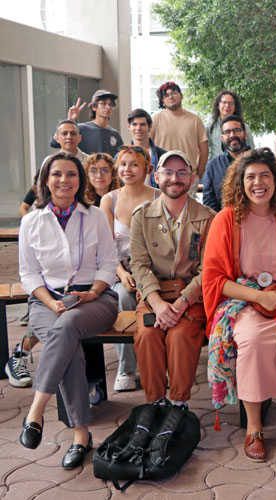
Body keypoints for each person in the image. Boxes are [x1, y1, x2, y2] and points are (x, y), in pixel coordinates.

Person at [17, 152, 118, 469]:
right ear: (45, 181)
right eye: (57, 174)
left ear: (80, 179)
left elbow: (109, 264)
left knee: (66, 329)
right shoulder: (31, 221)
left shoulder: (95, 216)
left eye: (71, 174)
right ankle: (81, 437)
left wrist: (93, 292)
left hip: (96, 299)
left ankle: (35, 412)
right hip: (47, 300)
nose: (64, 180)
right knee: (68, 346)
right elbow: (29, 274)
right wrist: (50, 302)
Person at [203, 147, 276, 461]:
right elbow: (216, 279)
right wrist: (260, 296)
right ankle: (254, 428)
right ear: (240, 183)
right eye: (250, 177)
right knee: (253, 339)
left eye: (265, 175)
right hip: (244, 301)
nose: (258, 183)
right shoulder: (226, 219)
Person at [131, 150, 214, 411]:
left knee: (180, 336)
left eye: (181, 173)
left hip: (191, 297)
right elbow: (139, 264)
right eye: (168, 172)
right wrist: (157, 304)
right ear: (156, 177)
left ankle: (178, 403)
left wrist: (180, 305)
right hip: (153, 294)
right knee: (147, 334)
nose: (174, 179)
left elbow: (208, 270)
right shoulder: (142, 216)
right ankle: (155, 403)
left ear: (191, 179)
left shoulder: (208, 218)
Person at [100, 146, 160, 392]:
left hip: (154, 269)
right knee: (124, 296)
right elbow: (105, 247)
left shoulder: (159, 196)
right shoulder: (109, 199)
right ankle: (126, 366)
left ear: (147, 168)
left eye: (134, 164)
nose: (128, 169)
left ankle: (155, 363)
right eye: (123, 164)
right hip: (120, 269)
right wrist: (121, 273)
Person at [19, 121, 89, 216]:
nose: (69, 137)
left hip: (83, 212)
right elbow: (40, 190)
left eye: (73, 133)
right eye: (64, 133)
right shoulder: (49, 162)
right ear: (56, 138)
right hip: (50, 214)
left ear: (79, 138)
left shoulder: (90, 162)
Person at [150, 82, 209, 192]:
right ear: (162, 100)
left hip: (188, 177)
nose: (171, 97)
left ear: (181, 95)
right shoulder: (155, 120)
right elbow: (147, 148)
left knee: (188, 209)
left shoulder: (195, 120)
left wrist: (197, 177)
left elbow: (204, 151)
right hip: (163, 178)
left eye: (174, 93)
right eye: (166, 95)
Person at [50, 90, 124, 156]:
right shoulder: (82, 129)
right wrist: (70, 121)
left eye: (110, 104)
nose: (108, 107)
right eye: (103, 103)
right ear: (94, 107)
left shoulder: (115, 134)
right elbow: (54, 143)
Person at [202, 114, 251, 211]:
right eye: (227, 132)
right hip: (224, 222)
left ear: (245, 135)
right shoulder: (213, 166)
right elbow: (209, 204)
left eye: (236, 130)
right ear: (222, 137)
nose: (232, 135)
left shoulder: (259, 161)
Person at [205, 90, 255, 158]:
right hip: (217, 166)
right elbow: (205, 151)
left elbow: (251, 149)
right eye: (224, 102)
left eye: (231, 103)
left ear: (235, 107)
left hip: (239, 165)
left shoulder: (244, 127)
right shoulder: (209, 127)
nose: (227, 105)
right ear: (218, 105)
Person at [126, 109, 167, 187]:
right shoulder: (121, 156)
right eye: (134, 124)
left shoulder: (163, 155)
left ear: (150, 126)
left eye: (143, 124)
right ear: (129, 126)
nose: (138, 128)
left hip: (156, 198)